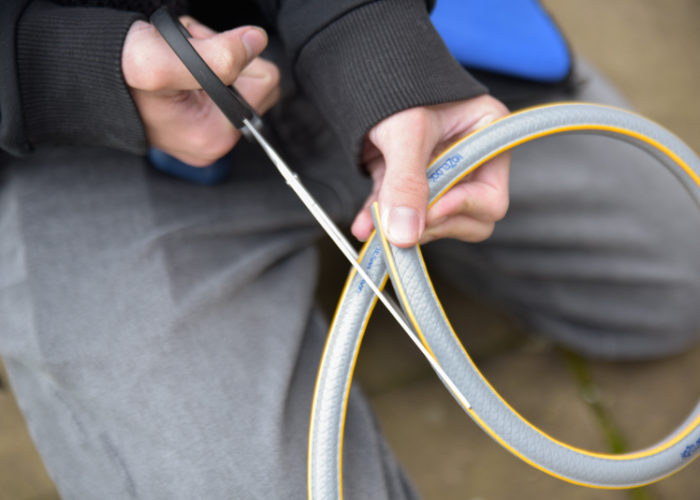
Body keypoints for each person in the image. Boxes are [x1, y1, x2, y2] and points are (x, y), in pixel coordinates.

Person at [0, 1, 698, 498]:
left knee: (680, 281)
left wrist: (373, 45)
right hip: (77, 138)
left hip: (393, 32)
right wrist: (59, 68)